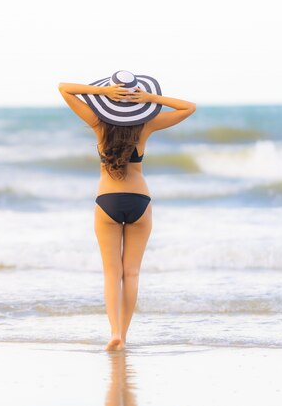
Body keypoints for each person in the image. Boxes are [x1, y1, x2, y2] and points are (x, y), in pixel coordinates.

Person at [58, 70, 196, 351]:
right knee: (130, 273)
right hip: (139, 201)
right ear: (137, 101)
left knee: (112, 273)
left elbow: (64, 88)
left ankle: (114, 333)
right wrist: (151, 98)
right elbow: (188, 107)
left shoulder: (97, 123)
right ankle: (125, 335)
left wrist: (101, 94)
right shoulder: (147, 126)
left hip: (107, 200)